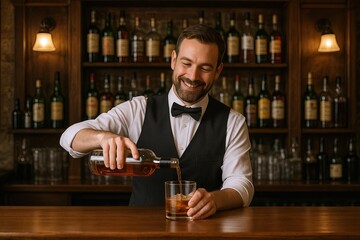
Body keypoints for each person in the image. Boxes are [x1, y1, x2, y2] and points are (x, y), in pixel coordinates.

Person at [60, 24, 254, 220]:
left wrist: (215, 200)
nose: (193, 76)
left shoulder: (233, 122)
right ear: (173, 60)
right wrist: (102, 137)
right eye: (186, 64)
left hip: (203, 232)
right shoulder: (139, 109)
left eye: (204, 68)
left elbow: (242, 184)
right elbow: (69, 137)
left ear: (218, 71)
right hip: (139, 231)